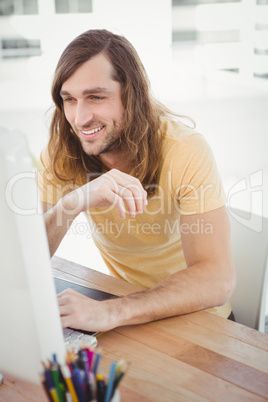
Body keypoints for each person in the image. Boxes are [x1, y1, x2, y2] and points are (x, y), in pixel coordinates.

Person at [38, 29, 236, 333]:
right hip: (129, 314)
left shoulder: (185, 149)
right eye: (70, 99)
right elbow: (27, 262)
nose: (80, 118)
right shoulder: (62, 151)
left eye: (96, 97)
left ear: (133, 93)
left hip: (201, 320)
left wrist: (113, 311)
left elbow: (217, 278)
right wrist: (73, 202)